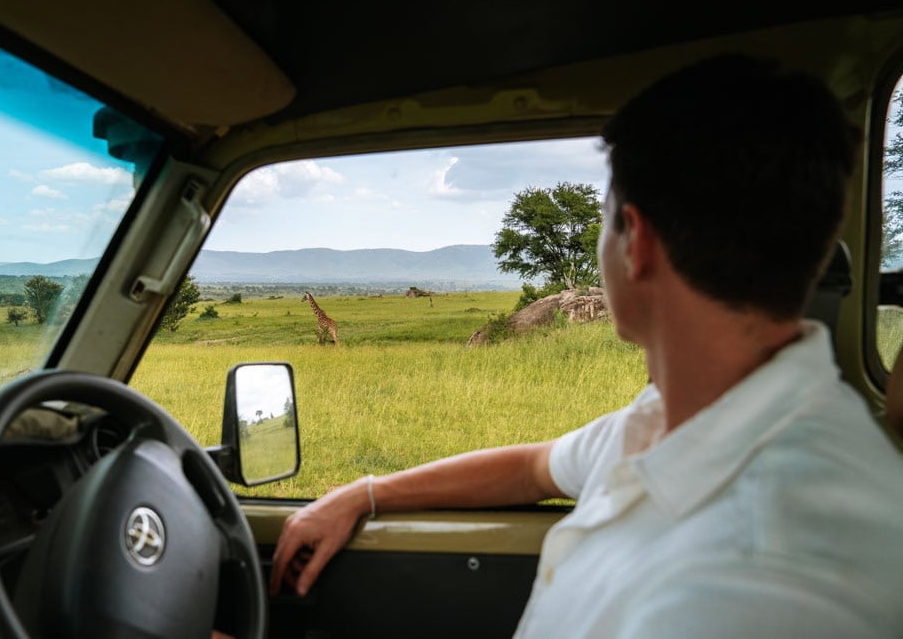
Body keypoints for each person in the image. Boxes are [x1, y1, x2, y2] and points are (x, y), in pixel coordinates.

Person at [269, 54, 903, 637]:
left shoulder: (751, 584)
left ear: (636, 243)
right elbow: (533, 467)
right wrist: (363, 493)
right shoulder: (685, 415)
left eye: (604, 222)